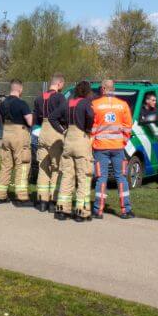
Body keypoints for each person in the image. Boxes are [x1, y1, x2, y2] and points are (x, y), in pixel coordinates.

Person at [91, 79, 134, 219]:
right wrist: (124, 141)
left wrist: (92, 142)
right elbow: (128, 127)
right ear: (113, 89)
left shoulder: (95, 105)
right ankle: (125, 210)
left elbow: (91, 127)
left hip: (100, 147)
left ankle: (98, 210)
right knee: (121, 177)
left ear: (103, 89)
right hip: (118, 147)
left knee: (101, 178)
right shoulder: (123, 105)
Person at [55, 81, 95, 221]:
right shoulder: (85, 103)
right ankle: (80, 211)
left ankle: (61, 209)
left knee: (66, 176)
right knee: (83, 177)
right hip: (80, 141)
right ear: (87, 92)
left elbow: (53, 117)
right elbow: (90, 116)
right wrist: (88, 128)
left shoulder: (67, 102)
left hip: (68, 141)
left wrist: (63, 130)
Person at [0, 80, 33, 206]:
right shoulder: (22, 104)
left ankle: (0, 195)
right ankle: (21, 197)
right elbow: (30, 121)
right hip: (19, 135)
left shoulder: (2, 104)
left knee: (6, 165)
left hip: (6, 134)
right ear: (20, 89)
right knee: (22, 164)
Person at [32, 74, 67, 212]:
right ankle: (53, 201)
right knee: (56, 168)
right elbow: (63, 115)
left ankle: (42, 201)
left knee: (43, 167)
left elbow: (35, 118)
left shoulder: (39, 98)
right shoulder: (60, 97)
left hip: (43, 132)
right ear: (59, 84)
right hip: (55, 131)